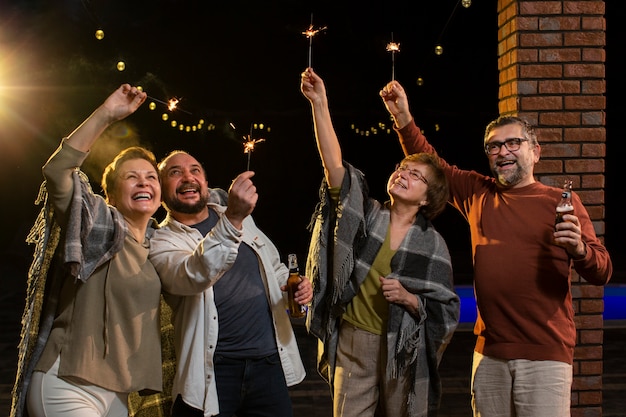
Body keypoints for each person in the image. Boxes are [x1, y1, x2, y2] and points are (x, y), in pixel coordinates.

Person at [379, 80, 613, 417]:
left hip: (546, 355)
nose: (502, 152)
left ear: (535, 151)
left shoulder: (562, 202)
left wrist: (580, 250)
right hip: (489, 354)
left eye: (513, 143)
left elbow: (602, 270)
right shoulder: (479, 193)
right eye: (493, 146)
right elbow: (433, 166)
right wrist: (402, 116)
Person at [301, 67, 460, 417]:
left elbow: (446, 312)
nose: (403, 174)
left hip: (402, 348)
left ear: (426, 199)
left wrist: (409, 299)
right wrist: (320, 103)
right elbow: (334, 166)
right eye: (402, 168)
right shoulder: (367, 214)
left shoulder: (433, 245)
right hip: (354, 340)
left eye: (415, 175)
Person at [11, 84, 163, 417]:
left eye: (151, 177)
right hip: (68, 381)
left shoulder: (160, 249)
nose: (143, 182)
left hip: (119, 395)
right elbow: (56, 171)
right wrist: (107, 114)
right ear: (108, 194)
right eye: (131, 177)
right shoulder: (93, 223)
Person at [149, 150, 313, 417]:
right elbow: (194, 275)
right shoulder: (162, 241)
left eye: (195, 170)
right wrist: (233, 219)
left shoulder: (241, 218)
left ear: (205, 181)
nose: (187, 177)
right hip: (213, 372)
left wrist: (294, 287)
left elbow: (274, 268)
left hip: (268, 364)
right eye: (174, 172)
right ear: (161, 186)